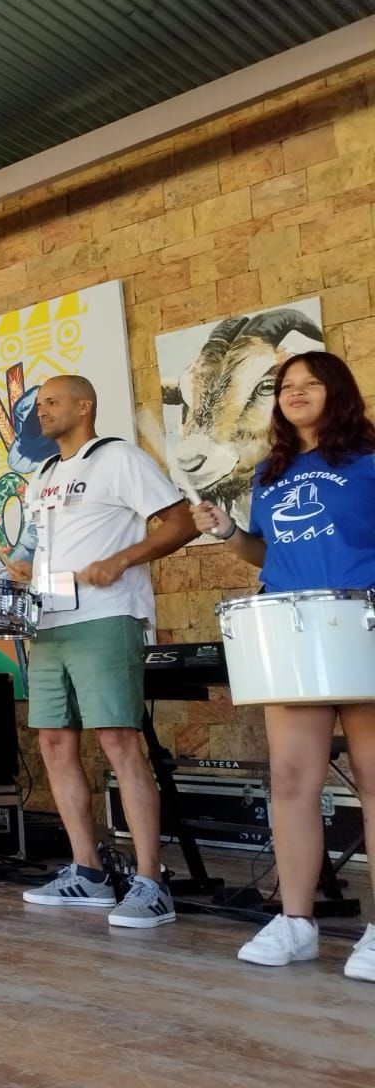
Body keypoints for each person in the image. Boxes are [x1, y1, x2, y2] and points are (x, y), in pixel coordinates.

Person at [193, 351, 375, 979]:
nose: (295, 394)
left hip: (361, 624)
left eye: (310, 384)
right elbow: (264, 554)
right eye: (286, 387)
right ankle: (296, 922)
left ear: (338, 392)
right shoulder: (271, 475)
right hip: (293, 632)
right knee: (292, 781)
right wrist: (226, 532)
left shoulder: (369, 463)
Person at [11, 375, 195, 929]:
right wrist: (22, 570)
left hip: (105, 616)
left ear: (84, 406)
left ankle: (150, 881)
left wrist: (123, 559)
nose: (41, 411)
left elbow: (180, 520)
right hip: (48, 621)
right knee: (52, 740)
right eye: (38, 403)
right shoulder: (40, 476)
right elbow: (38, 548)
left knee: (118, 739)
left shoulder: (117, 458)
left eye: (52, 402)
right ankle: (87, 872)